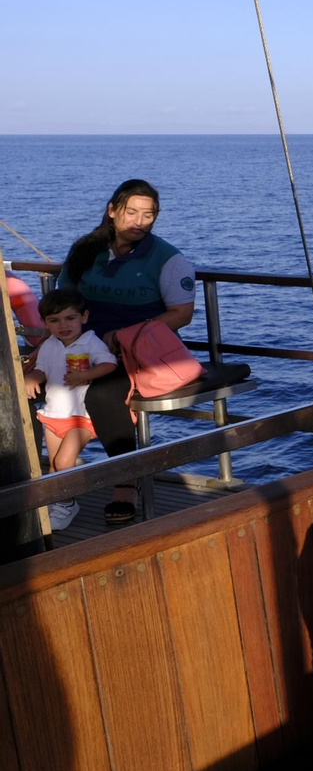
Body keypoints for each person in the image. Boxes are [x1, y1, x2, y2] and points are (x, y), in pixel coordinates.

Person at [57, 179, 196, 524]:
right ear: (112, 211)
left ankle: (125, 479)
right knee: (31, 382)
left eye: (148, 215)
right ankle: (52, 475)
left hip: (135, 353)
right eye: (131, 212)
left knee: (103, 396)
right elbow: (65, 297)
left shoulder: (168, 259)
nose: (139, 221)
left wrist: (121, 337)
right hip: (80, 347)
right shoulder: (85, 251)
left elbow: (182, 313)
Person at [22, 289, 119, 530]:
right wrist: (32, 377)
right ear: (45, 323)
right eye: (54, 320)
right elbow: (42, 368)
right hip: (54, 412)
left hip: (80, 415)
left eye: (70, 318)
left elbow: (109, 363)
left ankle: (67, 503)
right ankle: (57, 501)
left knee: (65, 462)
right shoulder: (49, 345)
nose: (63, 325)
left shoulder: (90, 342)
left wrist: (86, 375)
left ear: (84, 317)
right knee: (54, 464)